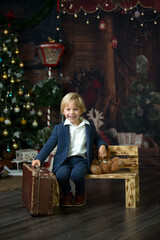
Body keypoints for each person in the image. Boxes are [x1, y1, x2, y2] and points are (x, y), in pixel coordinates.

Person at [32, 92, 108, 207]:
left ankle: (80, 193)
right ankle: (67, 193)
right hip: (64, 161)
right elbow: (49, 144)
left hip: (81, 160)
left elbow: (98, 139)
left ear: (81, 110)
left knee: (77, 175)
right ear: (63, 111)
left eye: (75, 109)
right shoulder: (59, 128)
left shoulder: (88, 126)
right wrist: (39, 158)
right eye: (68, 109)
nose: (71, 113)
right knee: (61, 175)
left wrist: (102, 146)